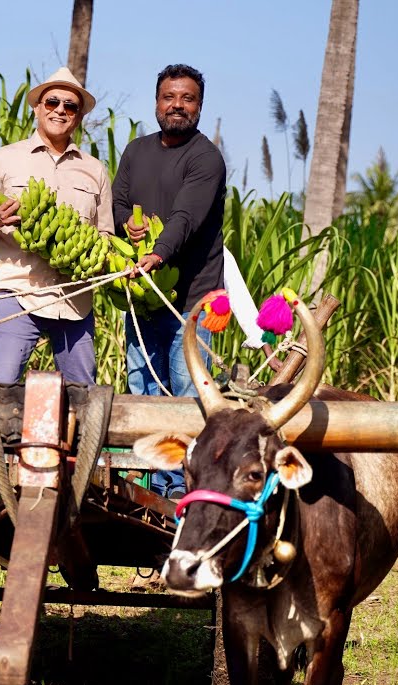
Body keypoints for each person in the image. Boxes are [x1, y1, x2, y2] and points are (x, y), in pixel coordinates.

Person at [112, 64, 226, 499]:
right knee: (141, 390)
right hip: (143, 299)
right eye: (169, 97)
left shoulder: (205, 158)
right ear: (156, 101)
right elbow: (119, 204)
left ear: (199, 105)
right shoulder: (136, 151)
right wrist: (129, 226)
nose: (177, 105)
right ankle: (145, 484)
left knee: (184, 395)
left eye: (187, 98)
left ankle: (179, 491)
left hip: (192, 301)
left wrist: (158, 252)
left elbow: (186, 217)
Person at [0, 67, 114, 385]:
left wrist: (100, 258)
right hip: (17, 291)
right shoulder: (3, 159)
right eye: (52, 102)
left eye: (70, 105)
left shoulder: (95, 170)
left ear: (78, 116)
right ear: (37, 108)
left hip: (75, 299)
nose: (60, 110)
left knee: (84, 393)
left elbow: (105, 234)